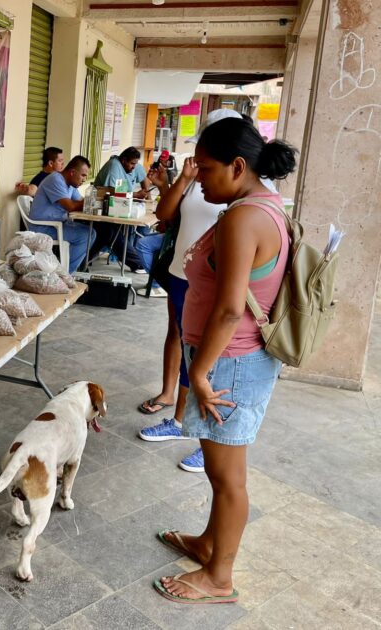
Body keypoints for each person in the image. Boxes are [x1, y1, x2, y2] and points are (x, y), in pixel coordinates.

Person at [154, 117, 296, 604]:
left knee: (228, 476)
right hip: (233, 358)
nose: (201, 177)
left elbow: (232, 307)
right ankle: (210, 543)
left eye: (208, 169)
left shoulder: (242, 217)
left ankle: (220, 578)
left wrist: (197, 370)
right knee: (220, 470)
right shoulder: (262, 205)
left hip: (230, 362)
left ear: (239, 166)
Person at [138, 110, 241, 473]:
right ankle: (179, 414)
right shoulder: (200, 173)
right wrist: (183, 179)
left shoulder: (235, 181)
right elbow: (166, 214)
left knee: (209, 355)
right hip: (182, 272)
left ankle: (205, 436)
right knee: (181, 338)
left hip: (214, 281)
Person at [28, 155, 92, 273]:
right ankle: (65, 274)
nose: (84, 179)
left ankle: (65, 269)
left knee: (91, 232)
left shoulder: (70, 185)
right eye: (83, 175)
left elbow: (79, 201)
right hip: (43, 227)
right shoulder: (55, 180)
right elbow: (71, 206)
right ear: (72, 172)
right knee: (86, 235)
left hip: (57, 224)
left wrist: (89, 201)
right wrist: (91, 199)